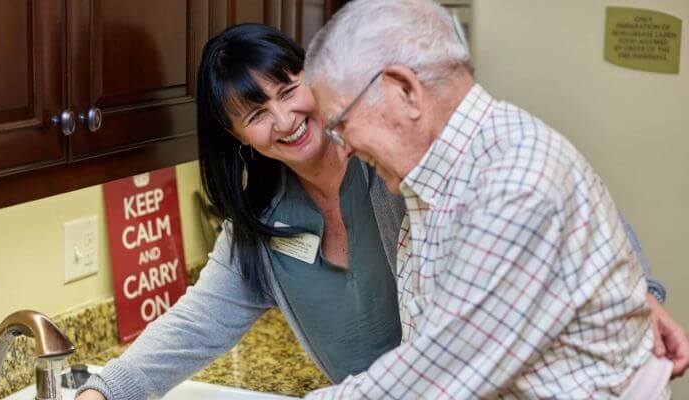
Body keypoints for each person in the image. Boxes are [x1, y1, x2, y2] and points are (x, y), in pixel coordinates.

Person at [76, 23, 684, 400]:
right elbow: (195, 326)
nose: (286, 120)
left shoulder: (386, 155)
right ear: (237, 137)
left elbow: (549, 194)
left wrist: (639, 292)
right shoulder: (262, 223)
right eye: (257, 114)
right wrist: (106, 390)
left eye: (290, 91)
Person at [302, 0, 685, 398]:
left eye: (341, 125)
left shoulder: (513, 181)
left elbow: (438, 375)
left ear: (405, 90)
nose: (342, 149)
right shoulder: (448, 171)